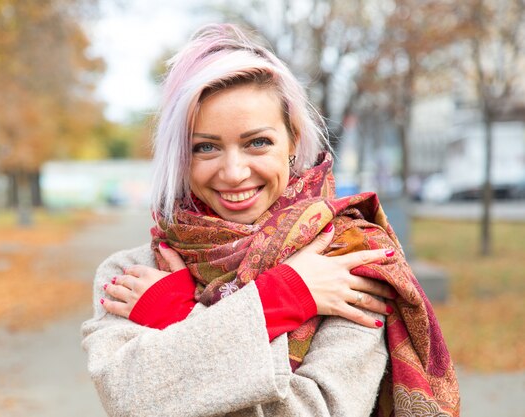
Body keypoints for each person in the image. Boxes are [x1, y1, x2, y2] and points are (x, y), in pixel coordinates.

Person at [81, 24, 459, 416]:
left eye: (256, 142)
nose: (233, 172)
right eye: (205, 147)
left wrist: (179, 321)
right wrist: (279, 299)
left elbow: (318, 411)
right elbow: (128, 400)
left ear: (292, 139)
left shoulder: (348, 260)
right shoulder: (131, 273)